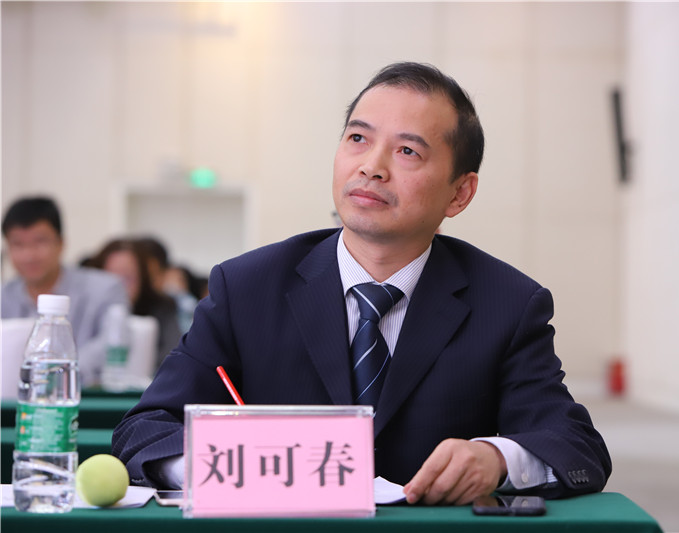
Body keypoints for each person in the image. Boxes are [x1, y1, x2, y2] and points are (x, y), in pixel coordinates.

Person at [112, 62, 611, 504]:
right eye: (358, 139)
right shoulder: (246, 288)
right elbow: (144, 431)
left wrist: (496, 458)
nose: (371, 166)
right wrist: (231, 466)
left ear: (460, 193)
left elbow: (574, 445)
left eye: (408, 151)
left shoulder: (507, 304)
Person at [1, 196, 129, 386]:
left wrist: (57, 378)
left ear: (61, 243)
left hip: (83, 396)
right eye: (18, 244)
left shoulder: (104, 289)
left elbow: (112, 343)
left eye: (40, 242)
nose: (29, 255)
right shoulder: (4, 296)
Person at [91, 238, 182, 369]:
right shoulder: (89, 312)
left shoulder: (163, 309)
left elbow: (173, 357)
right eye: (111, 280)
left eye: (128, 278)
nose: (119, 288)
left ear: (143, 279)